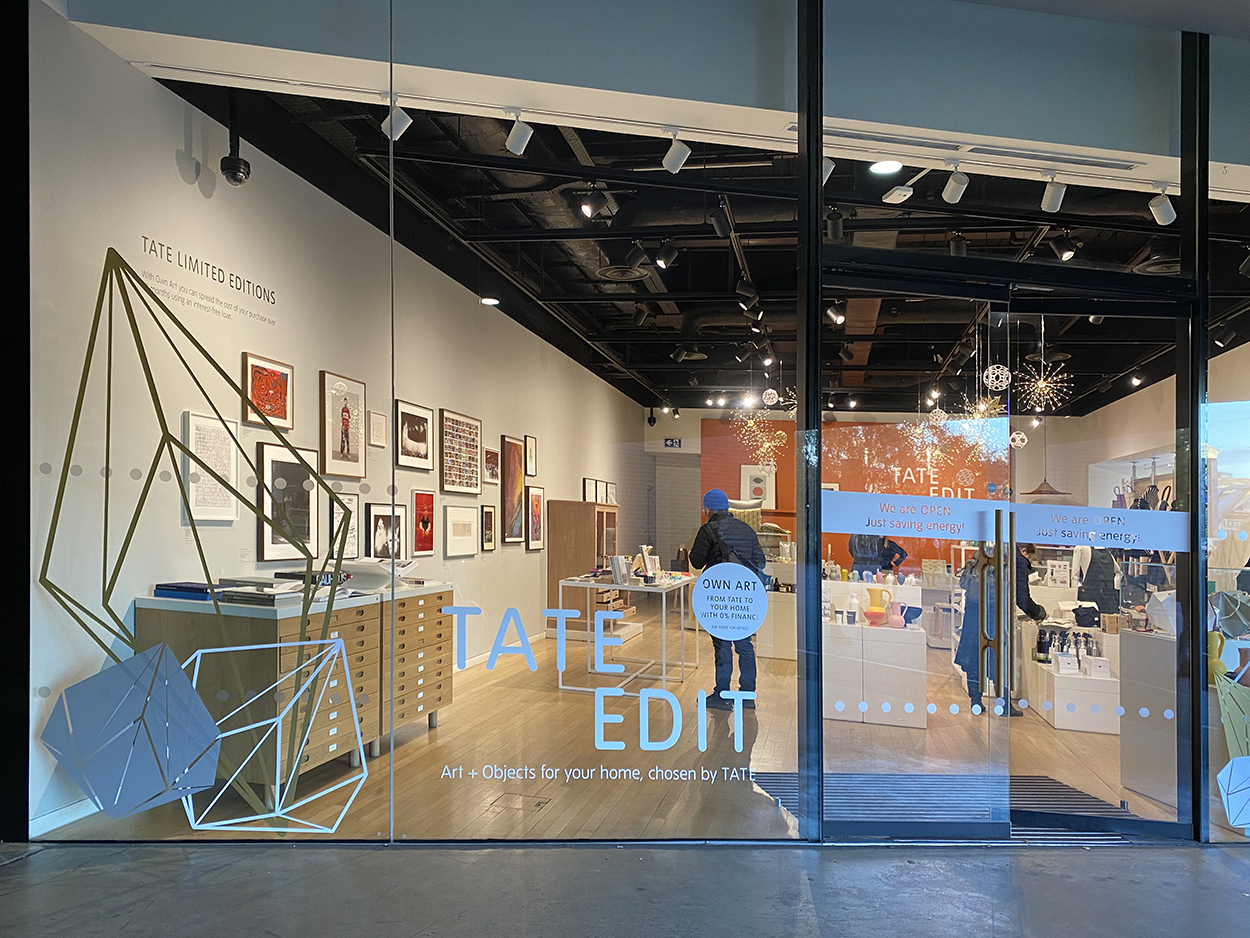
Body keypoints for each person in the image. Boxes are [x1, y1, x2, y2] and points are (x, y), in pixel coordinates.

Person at [689, 488, 767, 711]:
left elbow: (696, 561)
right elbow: (760, 562)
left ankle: (722, 695)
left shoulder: (707, 530)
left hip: (719, 596)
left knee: (722, 644)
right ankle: (747, 695)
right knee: (744, 645)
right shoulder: (747, 529)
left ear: (707, 509)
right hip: (744, 597)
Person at [954, 542, 1046, 715]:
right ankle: (1004, 705)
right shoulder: (1015, 559)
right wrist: (1040, 613)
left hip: (974, 610)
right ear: (1024, 551)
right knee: (999, 658)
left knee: (974, 655)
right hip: (995, 612)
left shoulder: (985, 553)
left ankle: (976, 701)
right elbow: (1022, 598)